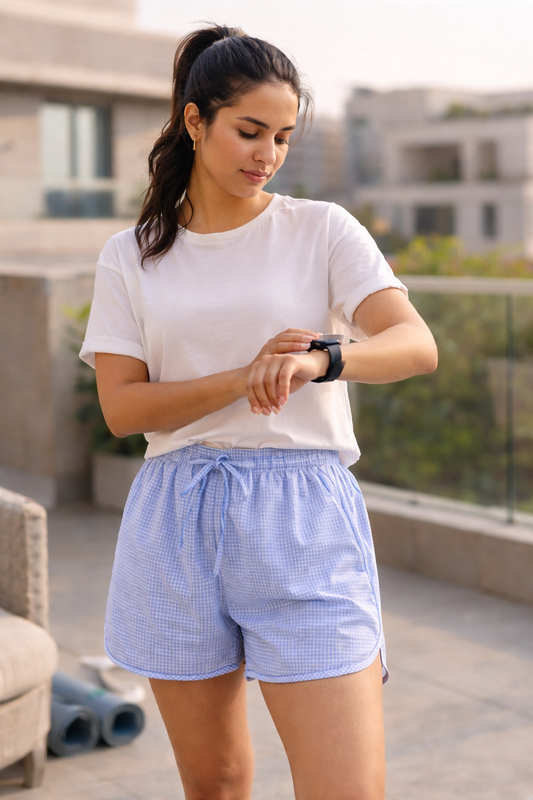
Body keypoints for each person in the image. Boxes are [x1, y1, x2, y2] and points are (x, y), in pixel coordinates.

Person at [80, 25, 437, 800]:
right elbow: (122, 408)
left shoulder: (321, 229)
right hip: (177, 516)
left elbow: (414, 345)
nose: (266, 153)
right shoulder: (132, 254)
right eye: (249, 131)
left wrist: (320, 357)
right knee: (215, 786)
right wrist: (243, 378)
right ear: (194, 120)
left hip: (303, 518)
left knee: (346, 790)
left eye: (281, 136)